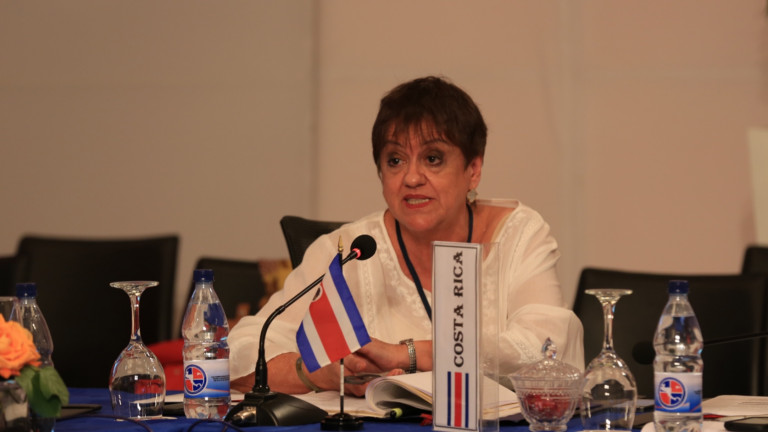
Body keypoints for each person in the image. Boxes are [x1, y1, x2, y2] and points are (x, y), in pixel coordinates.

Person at [229, 76, 584, 396]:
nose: (412, 178)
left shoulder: (520, 235)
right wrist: (319, 374)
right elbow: (243, 350)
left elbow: (545, 347)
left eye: (433, 158)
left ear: (473, 170)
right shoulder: (348, 250)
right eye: (395, 160)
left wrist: (407, 354)